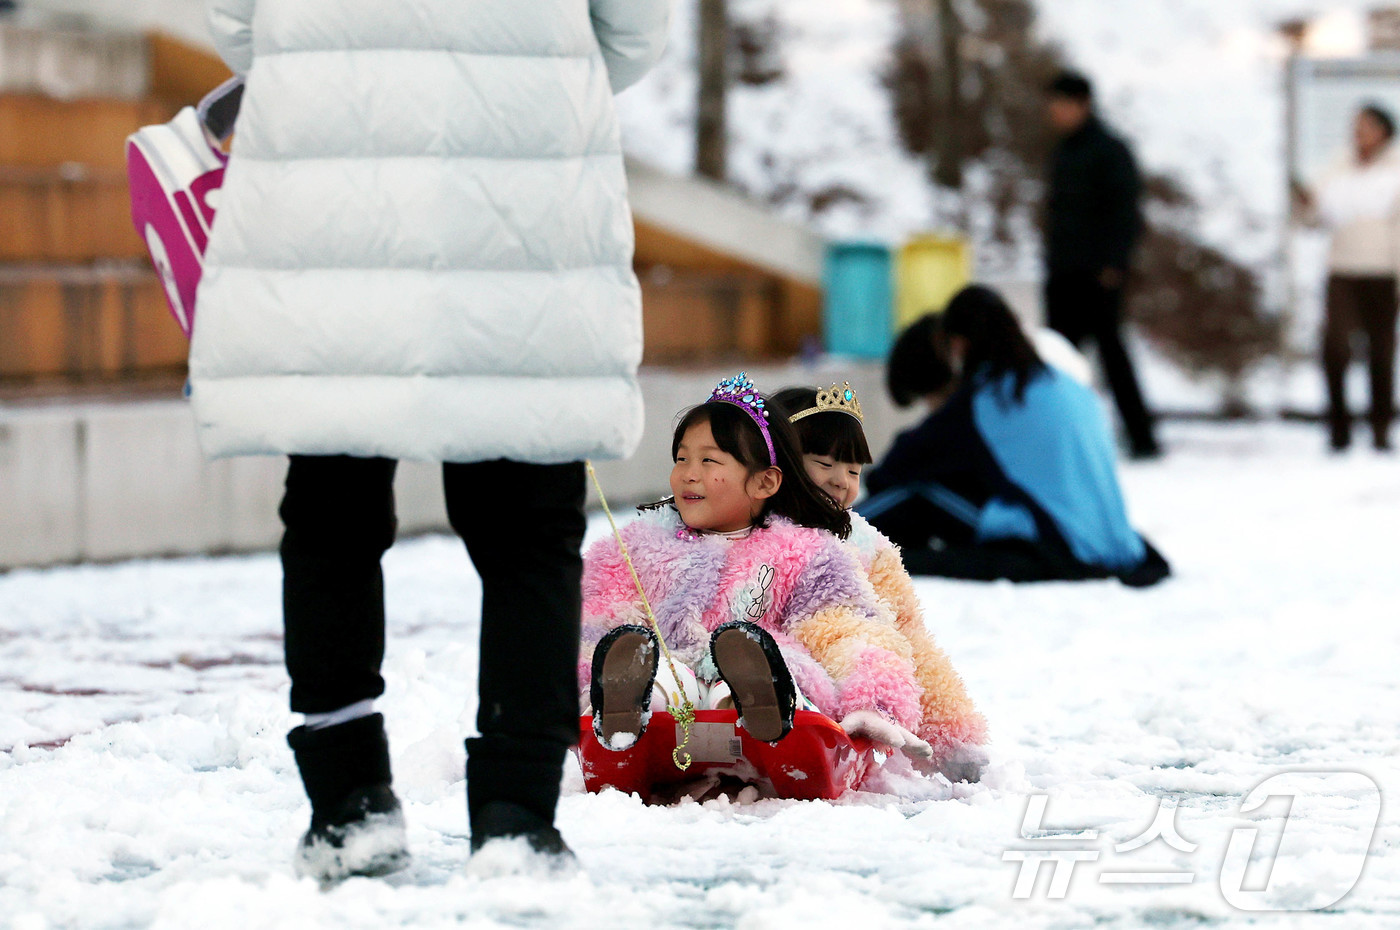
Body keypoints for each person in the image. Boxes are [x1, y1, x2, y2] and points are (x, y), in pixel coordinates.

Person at [194, 0, 672, 881]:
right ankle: (517, 818)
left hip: (336, 179)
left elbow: (234, 20)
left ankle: (349, 806)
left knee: (332, 496)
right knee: (529, 522)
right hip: (516, 183)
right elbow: (637, 30)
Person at [581, 374, 944, 773]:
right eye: (682, 458)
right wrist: (580, 681)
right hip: (675, 692)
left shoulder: (805, 553)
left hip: (758, 683)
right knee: (656, 670)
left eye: (708, 461)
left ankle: (762, 707)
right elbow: (600, 616)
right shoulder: (639, 545)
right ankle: (627, 713)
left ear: (764, 481)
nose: (688, 473)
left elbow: (846, 631)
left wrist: (874, 702)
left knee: (773, 664)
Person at [859, 286, 1170, 587]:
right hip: (1114, 543)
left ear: (959, 345)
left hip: (1062, 544)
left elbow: (902, 465)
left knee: (919, 492)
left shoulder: (988, 397)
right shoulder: (1063, 384)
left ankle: (831, 538)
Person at [770, 384, 988, 779]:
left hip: (848, 668)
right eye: (824, 463)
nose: (842, 481)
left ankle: (873, 728)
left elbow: (909, 632)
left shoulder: (862, 541)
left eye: (854, 471)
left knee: (888, 654)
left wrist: (951, 732)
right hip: (767, 659)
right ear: (778, 460)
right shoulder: (750, 526)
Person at [1044, 70, 1160, 459]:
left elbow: (1125, 212)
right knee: (1058, 361)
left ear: (1081, 105)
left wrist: (1114, 263)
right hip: (1063, 272)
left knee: (1112, 356)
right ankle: (1060, 437)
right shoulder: (1062, 152)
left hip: (1098, 275)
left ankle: (1142, 437)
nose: (1054, 112)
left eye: (1061, 104)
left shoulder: (1110, 150)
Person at [1294, 104, 1400, 452]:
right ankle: (1338, 429)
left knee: (1380, 354)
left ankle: (1380, 429)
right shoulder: (1339, 166)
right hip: (1342, 269)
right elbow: (1314, 218)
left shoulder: (1395, 168)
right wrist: (1305, 203)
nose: (1359, 133)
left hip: (1384, 271)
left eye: (1366, 126)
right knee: (1335, 349)